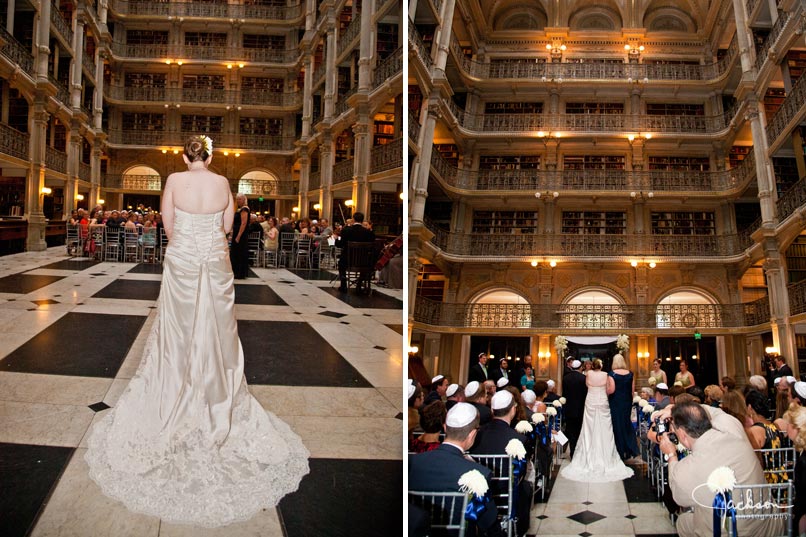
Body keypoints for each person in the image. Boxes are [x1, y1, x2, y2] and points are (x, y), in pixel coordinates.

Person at [84, 135, 309, 527]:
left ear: (186, 155)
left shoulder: (173, 180)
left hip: (185, 257)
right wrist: (208, 243)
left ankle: (177, 384)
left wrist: (188, 243)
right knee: (220, 328)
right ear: (210, 154)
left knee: (178, 325)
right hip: (215, 258)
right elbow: (225, 226)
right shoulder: (224, 184)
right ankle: (216, 389)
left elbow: (169, 227)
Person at [660, 402, 783, 537]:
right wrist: (675, 410)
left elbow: (679, 497)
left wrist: (671, 454)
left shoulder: (689, 469)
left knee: (683, 522)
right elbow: (715, 411)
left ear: (682, 434)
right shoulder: (732, 427)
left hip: (731, 532)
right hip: (769, 526)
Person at [409, 403, 504, 537]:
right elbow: (489, 524)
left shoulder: (412, 463)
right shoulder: (478, 474)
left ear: (445, 427)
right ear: (472, 434)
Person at [561, 358, 633, 482]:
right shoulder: (606, 374)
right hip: (602, 400)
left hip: (591, 400)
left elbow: (588, 385)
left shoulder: (588, 374)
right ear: (601, 365)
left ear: (592, 366)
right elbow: (609, 389)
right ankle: (606, 455)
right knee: (605, 427)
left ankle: (588, 453)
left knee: (588, 427)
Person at [609, 353, 639, 462]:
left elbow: (611, 390)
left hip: (615, 402)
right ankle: (629, 449)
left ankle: (619, 451)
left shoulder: (612, 374)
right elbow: (632, 391)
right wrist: (630, 402)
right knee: (626, 424)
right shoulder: (630, 374)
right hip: (626, 402)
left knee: (617, 425)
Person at [335, 211, 375, 292]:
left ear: (353, 219)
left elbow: (340, 244)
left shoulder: (346, 230)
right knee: (367, 264)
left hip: (347, 260)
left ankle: (343, 285)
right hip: (363, 261)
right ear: (362, 220)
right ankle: (359, 284)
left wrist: (336, 240)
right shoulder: (368, 232)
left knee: (341, 265)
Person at [783, 405, 806, 536]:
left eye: (788, 424)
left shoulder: (804, 460)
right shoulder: (802, 455)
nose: (785, 428)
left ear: (797, 428)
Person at [562, 359, 588, 458]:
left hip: (569, 408)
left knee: (571, 431)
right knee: (579, 430)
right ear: (580, 367)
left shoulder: (565, 378)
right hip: (581, 408)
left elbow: (564, 394)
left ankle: (573, 451)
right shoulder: (583, 378)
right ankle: (579, 452)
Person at [229, 193, 250, 279]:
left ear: (244, 199)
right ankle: (236, 271)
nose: (238, 201)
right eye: (237, 199)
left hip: (240, 234)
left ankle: (240, 273)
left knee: (239, 252)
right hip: (236, 232)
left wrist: (238, 236)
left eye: (240, 199)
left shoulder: (244, 209)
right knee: (235, 252)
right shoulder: (239, 209)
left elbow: (243, 223)